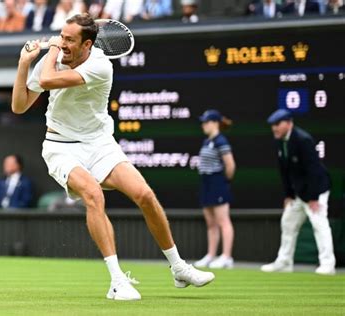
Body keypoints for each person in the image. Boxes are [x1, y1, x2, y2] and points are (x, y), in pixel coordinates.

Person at [11, 13, 214, 301]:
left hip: (99, 143)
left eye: (70, 40)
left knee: (144, 194)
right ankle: (117, 280)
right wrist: (23, 64)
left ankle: (178, 267)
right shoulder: (51, 62)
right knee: (93, 195)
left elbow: (47, 79)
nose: (63, 43)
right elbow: (19, 106)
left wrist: (53, 48)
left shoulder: (100, 66)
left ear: (88, 44)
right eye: (62, 36)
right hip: (60, 146)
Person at [261, 109, 336, 275]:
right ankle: (285, 262)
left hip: (316, 190)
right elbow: (284, 170)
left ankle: (328, 264)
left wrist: (314, 197)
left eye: (277, 124)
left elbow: (314, 171)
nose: (274, 128)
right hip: (298, 193)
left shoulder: (304, 140)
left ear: (289, 123)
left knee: (319, 224)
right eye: (273, 125)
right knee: (288, 223)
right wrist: (288, 194)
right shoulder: (280, 141)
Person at [194, 110, 236, 269]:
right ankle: (211, 255)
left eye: (206, 122)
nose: (203, 125)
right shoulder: (206, 141)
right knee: (211, 223)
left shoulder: (221, 141)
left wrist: (223, 182)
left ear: (215, 123)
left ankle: (226, 256)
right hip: (206, 183)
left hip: (217, 182)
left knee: (223, 221)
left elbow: (230, 165)